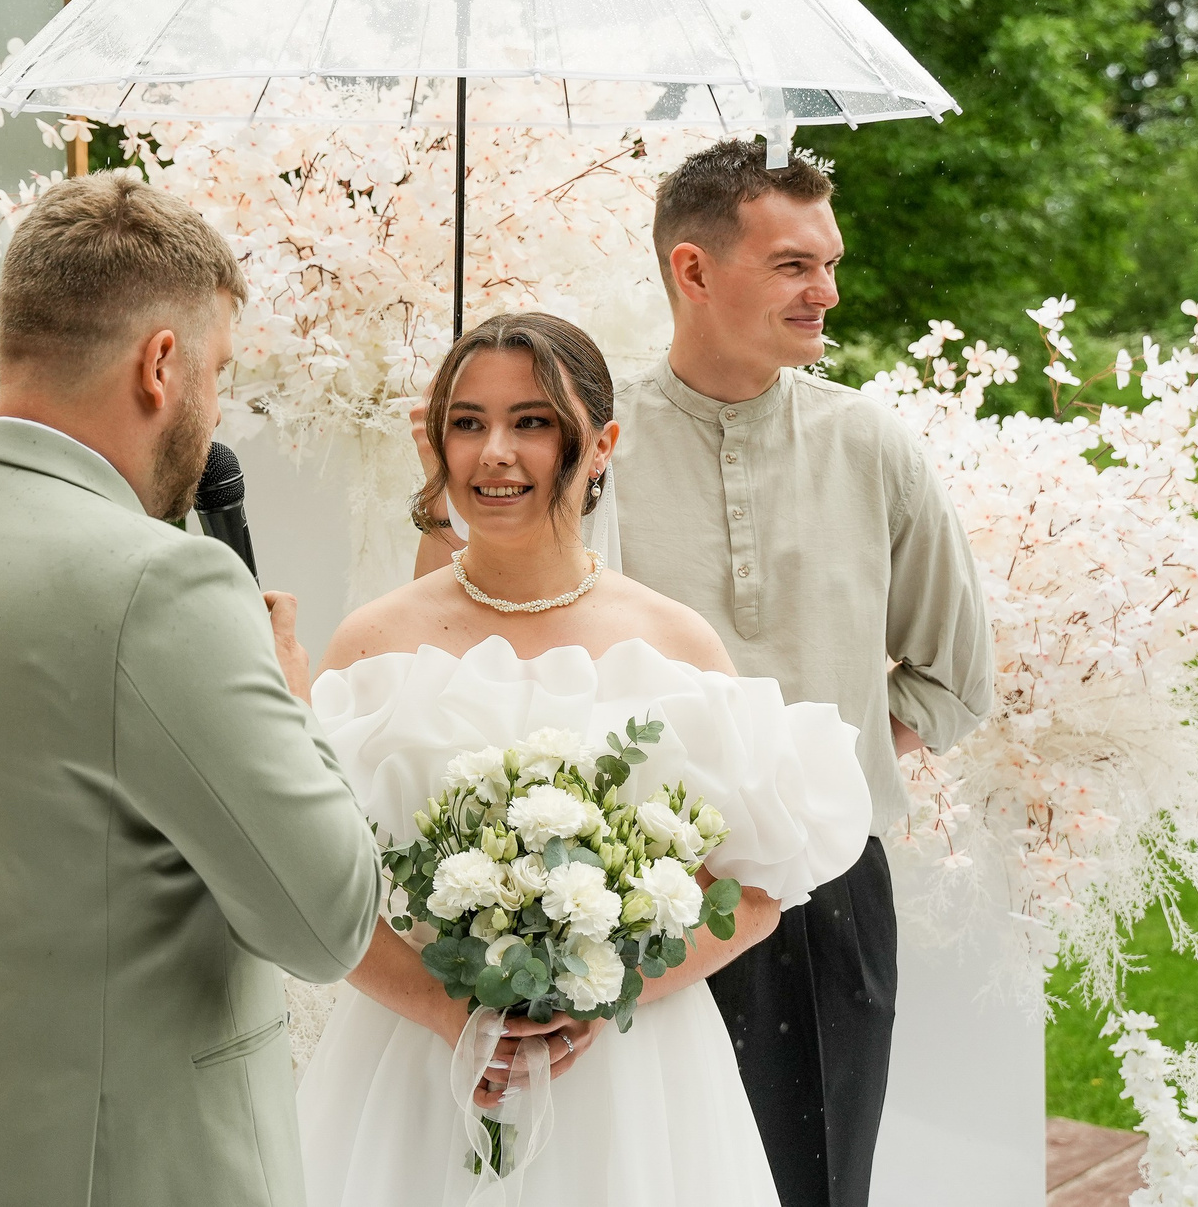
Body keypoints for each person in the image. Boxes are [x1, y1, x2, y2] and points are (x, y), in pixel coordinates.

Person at [411, 141, 995, 1207]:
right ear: (692, 270)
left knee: (816, 1190)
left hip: (819, 899)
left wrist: (804, 784)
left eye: (829, 263)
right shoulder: (587, 444)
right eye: (793, 265)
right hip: (618, 903)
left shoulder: (872, 445)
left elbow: (954, 678)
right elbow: (485, 635)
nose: (826, 291)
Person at [0, 172, 383, 1207]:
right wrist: (295, 710)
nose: (215, 411)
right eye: (217, 370)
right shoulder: (165, 586)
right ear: (161, 364)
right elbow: (328, 917)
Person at [301, 312, 872, 1207]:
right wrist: (452, 1014)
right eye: (467, 422)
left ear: (602, 444)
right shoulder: (373, 644)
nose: (495, 452)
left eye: (532, 421)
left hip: (636, 1084)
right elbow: (313, 889)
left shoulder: (674, 642)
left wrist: (615, 989)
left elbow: (756, 890)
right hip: (418, 1071)